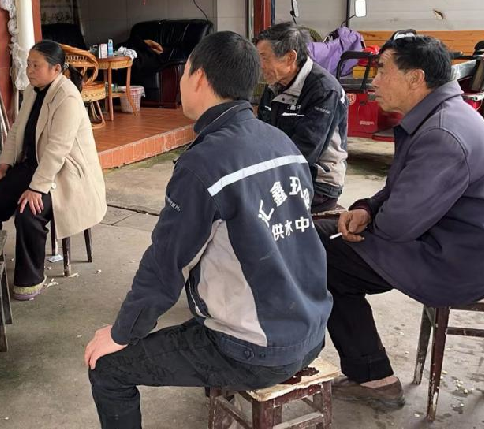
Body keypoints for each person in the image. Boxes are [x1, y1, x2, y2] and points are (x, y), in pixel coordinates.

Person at [84, 31, 332, 429]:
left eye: (184, 73)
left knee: (108, 368)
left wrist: (121, 333)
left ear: (197, 76)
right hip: (311, 330)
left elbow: (165, 268)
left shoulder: (204, 163)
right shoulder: (282, 143)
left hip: (255, 350)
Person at [317, 34, 484, 409]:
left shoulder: (442, 133)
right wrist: (367, 208)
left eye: (383, 71)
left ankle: (373, 378)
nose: (374, 82)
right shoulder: (441, 116)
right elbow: (400, 189)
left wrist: (372, 221)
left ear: (415, 78)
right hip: (445, 242)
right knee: (322, 240)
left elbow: (397, 226)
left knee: (317, 255)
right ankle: (370, 373)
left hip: (452, 263)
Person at [0, 40, 107, 301]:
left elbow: (58, 149)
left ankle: (29, 280)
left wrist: (36, 188)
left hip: (65, 174)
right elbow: (16, 131)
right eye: (28, 64)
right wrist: (4, 166)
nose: (29, 70)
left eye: (36, 65)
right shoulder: (33, 91)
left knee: (28, 211)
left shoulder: (68, 97)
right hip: (34, 166)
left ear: (56, 69)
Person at [256, 22, 349, 213]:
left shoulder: (323, 90)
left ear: (290, 57)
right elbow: (261, 133)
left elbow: (305, 152)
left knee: (252, 208)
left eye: (264, 58)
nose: (260, 65)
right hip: (280, 172)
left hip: (317, 182)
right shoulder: (274, 85)